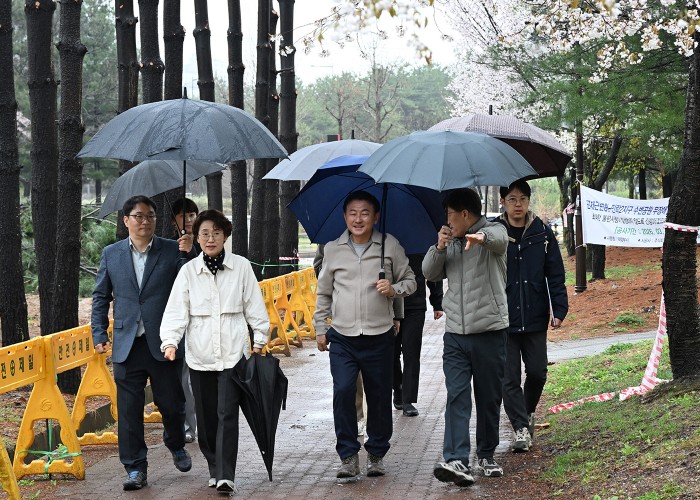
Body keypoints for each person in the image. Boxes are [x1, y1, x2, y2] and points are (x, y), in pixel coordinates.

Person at [160, 209, 270, 495]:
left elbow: (254, 305)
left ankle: (225, 474)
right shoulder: (188, 272)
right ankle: (213, 464)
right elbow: (176, 311)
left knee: (227, 414)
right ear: (197, 238)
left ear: (225, 236)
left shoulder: (241, 267)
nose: (211, 239)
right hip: (200, 355)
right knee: (207, 419)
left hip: (233, 353)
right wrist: (170, 341)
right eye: (205, 234)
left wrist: (260, 338)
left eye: (216, 233)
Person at [91, 195, 194, 491]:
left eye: (150, 216)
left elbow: (190, 284)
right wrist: (99, 333)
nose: (145, 221)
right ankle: (135, 467)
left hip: (164, 342)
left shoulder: (172, 249)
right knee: (129, 411)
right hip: (127, 344)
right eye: (138, 216)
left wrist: (188, 253)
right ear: (126, 220)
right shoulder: (111, 254)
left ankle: (175, 443)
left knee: (172, 404)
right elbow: (101, 296)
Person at [314, 190, 416, 479]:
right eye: (353, 213)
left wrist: (393, 290)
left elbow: (411, 280)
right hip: (342, 336)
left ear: (376, 216)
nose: (358, 219)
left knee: (379, 396)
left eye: (365, 213)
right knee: (343, 391)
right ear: (345, 216)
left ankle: (376, 453)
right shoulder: (333, 249)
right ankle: (348, 456)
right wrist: (320, 328)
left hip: (379, 336)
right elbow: (323, 292)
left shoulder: (389, 245)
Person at [423, 188, 509, 487]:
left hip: (489, 331)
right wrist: (439, 247)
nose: (447, 221)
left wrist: (481, 238)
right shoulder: (451, 243)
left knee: (488, 397)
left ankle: (486, 454)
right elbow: (429, 273)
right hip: (455, 335)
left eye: (450, 215)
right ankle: (457, 459)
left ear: (464, 214)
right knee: (457, 395)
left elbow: (499, 240)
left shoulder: (494, 230)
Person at [496, 180, 568, 453]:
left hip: (535, 314)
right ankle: (520, 429)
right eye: (512, 199)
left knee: (537, 372)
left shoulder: (542, 232)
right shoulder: (494, 232)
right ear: (503, 202)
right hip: (503, 317)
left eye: (523, 199)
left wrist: (558, 308)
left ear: (528, 201)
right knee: (509, 378)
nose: (518, 205)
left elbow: (555, 273)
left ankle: (525, 414)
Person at [393, 254, 443, 417]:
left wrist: (437, 302)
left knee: (411, 353)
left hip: (415, 306)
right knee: (391, 354)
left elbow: (433, 273)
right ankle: (398, 388)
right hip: (389, 307)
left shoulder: (421, 245)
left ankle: (408, 400)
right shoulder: (387, 244)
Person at [170, 197, 200, 443]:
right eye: (183, 216)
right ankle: (188, 425)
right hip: (180, 321)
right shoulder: (169, 248)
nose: (189, 220)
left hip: (203, 320)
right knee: (183, 377)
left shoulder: (206, 244)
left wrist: (191, 251)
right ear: (174, 221)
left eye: (192, 215)